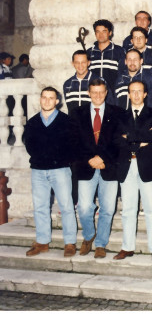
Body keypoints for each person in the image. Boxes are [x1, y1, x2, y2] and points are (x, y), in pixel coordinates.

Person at [70, 78, 123, 258]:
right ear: (88, 93)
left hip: (109, 167)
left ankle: (100, 244)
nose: (98, 96)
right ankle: (88, 235)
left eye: (101, 92)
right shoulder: (77, 113)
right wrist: (90, 159)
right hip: (86, 167)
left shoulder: (117, 113)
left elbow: (119, 142)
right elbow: (74, 142)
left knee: (107, 209)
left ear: (106, 92)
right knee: (84, 207)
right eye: (94, 92)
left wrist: (103, 158)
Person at [22, 87, 78, 257]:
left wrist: (57, 158)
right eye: (44, 97)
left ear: (57, 101)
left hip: (60, 169)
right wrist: (42, 157)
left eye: (51, 98)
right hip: (38, 171)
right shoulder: (32, 122)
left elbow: (72, 145)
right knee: (40, 207)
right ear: (40, 99)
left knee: (67, 206)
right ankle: (42, 242)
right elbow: (29, 145)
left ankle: (69, 243)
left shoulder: (66, 121)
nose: (47, 101)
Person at [113, 80, 152, 261]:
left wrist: (129, 138)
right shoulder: (120, 116)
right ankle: (127, 247)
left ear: (145, 94)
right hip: (127, 166)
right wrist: (139, 140)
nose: (135, 95)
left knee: (151, 209)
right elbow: (116, 140)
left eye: (139, 91)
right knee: (128, 209)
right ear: (128, 94)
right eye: (132, 91)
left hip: (148, 166)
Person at [87, 19, 126, 93]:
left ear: (110, 33)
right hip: (94, 95)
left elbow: (123, 74)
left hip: (113, 95)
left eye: (104, 31)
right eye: (98, 32)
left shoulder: (119, 51)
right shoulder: (89, 52)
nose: (101, 35)